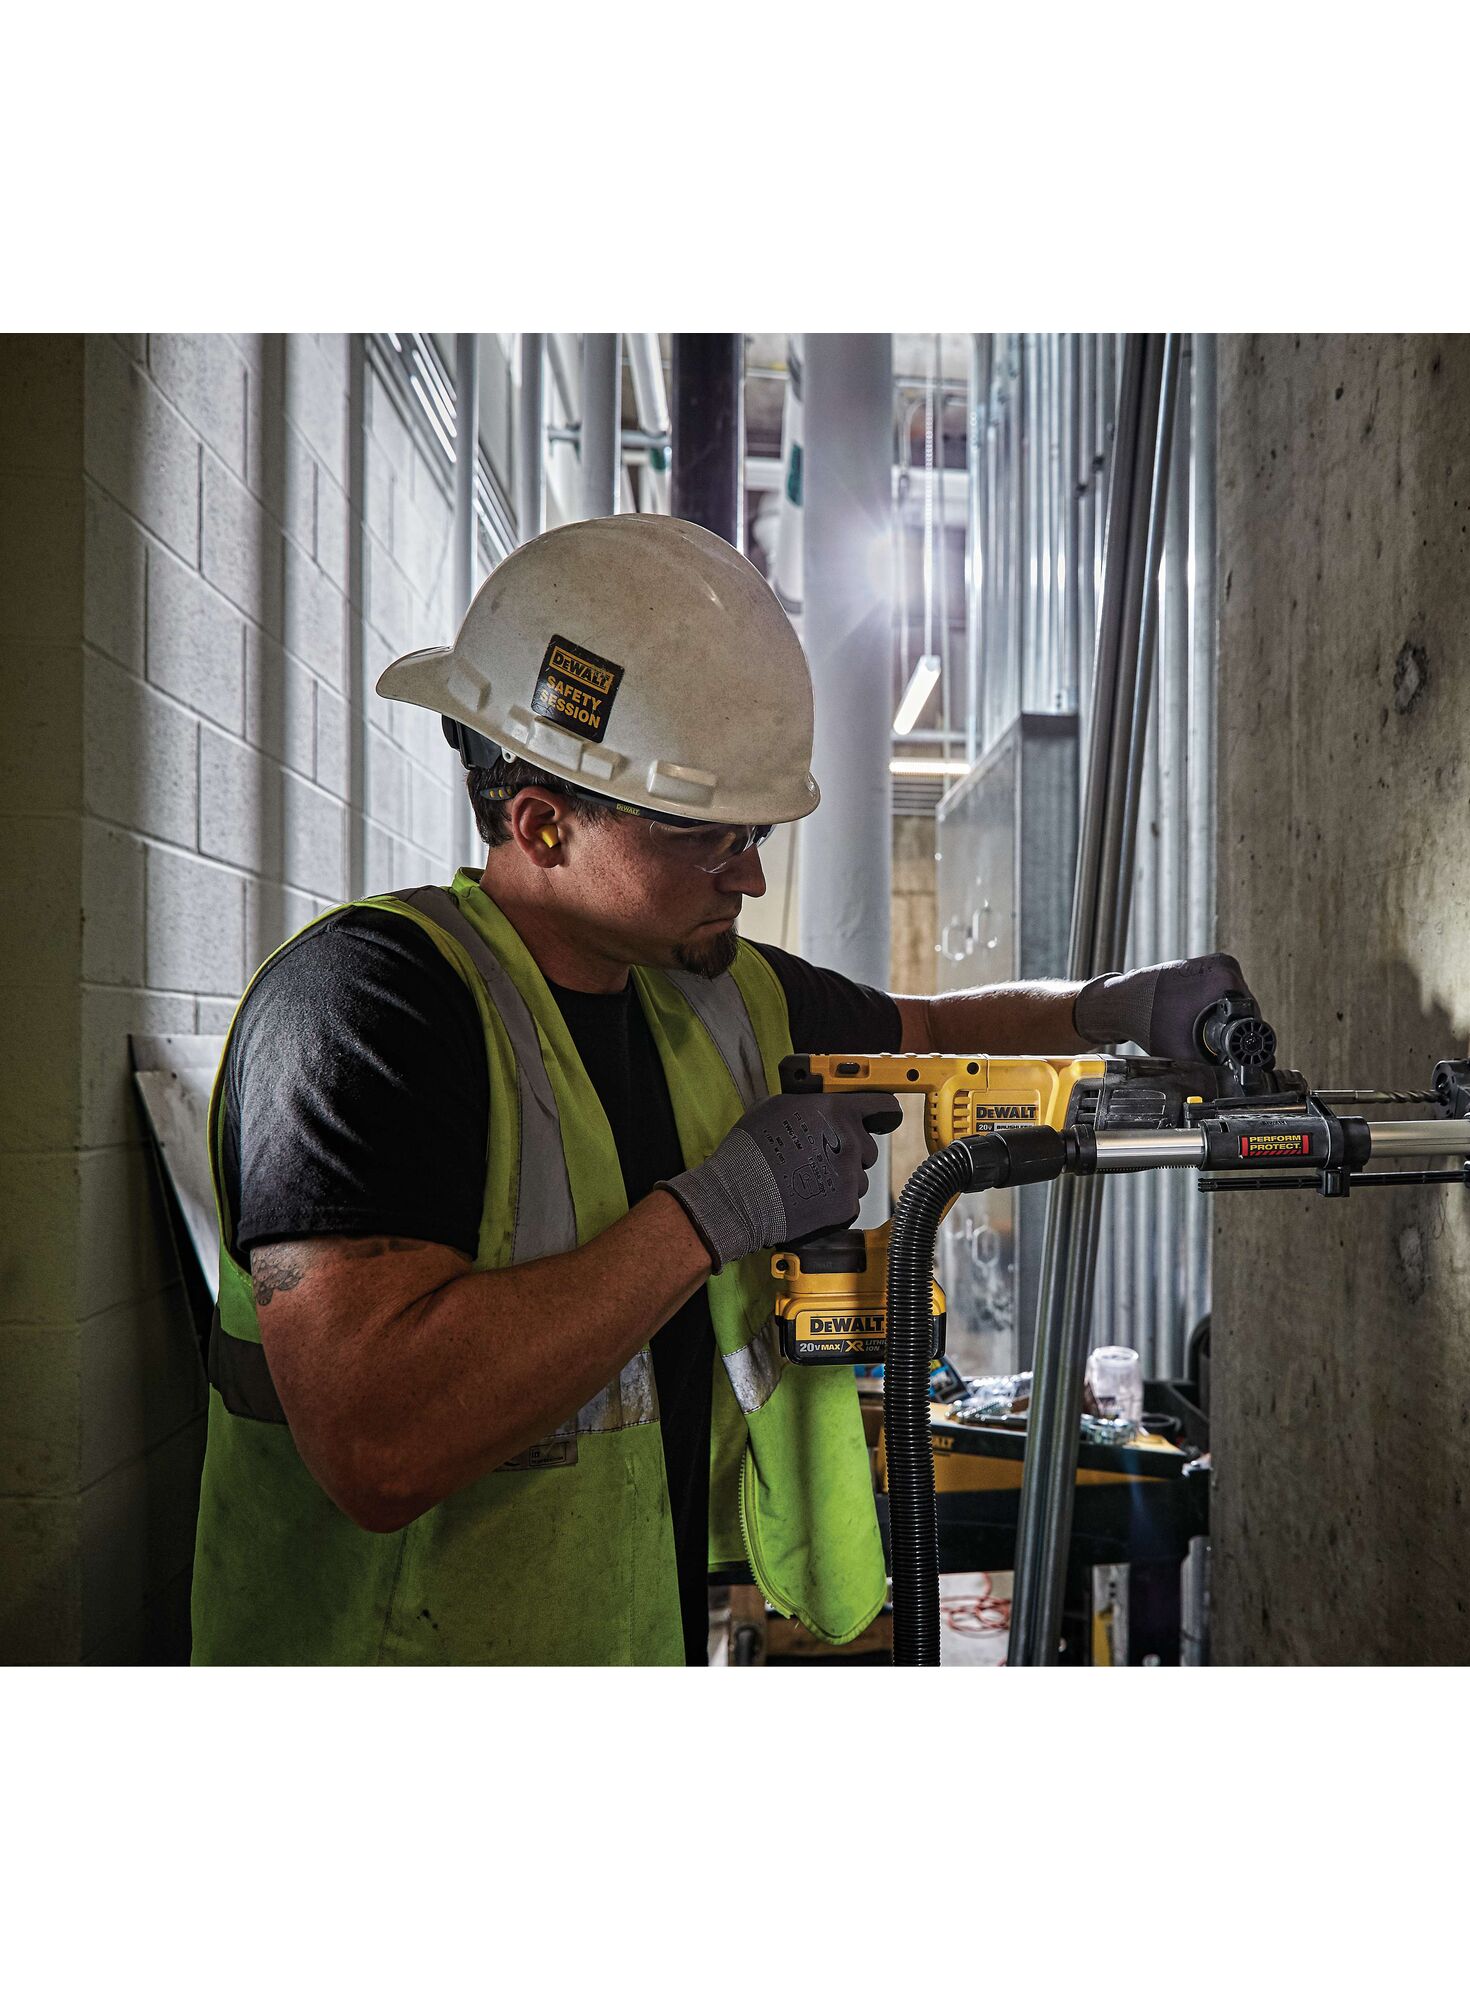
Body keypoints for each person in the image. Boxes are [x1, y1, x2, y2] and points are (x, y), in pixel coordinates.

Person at [187, 513, 1256, 1665]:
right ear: (542, 822)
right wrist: (713, 1212)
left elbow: (934, 1028)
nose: (748, 873)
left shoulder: (705, 989)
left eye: (754, 835)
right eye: (711, 840)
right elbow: (377, 1443)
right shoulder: (367, 1010)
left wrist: (1109, 1005)